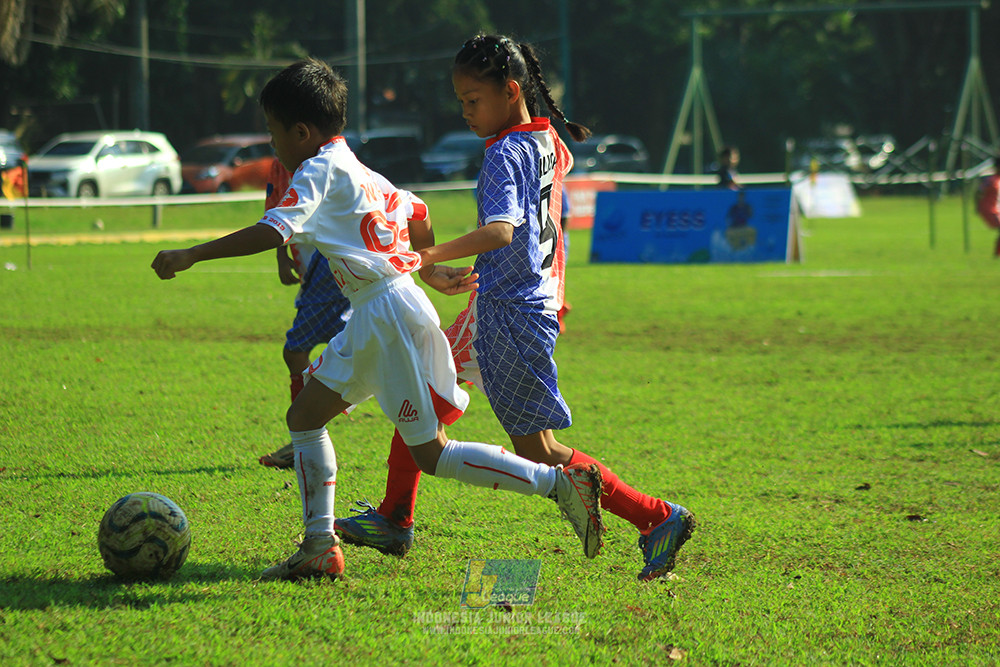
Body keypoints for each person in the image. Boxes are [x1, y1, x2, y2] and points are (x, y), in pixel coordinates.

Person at [151, 57, 605, 582]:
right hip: (381, 309)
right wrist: (428, 272)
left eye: (274, 134)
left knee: (432, 454)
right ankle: (319, 547)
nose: (273, 146)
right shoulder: (357, 167)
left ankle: (561, 485)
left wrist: (192, 253)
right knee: (304, 418)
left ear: (301, 131)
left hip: (386, 314)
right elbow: (418, 212)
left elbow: (273, 231)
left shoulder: (317, 169)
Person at [334, 34, 695, 582]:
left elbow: (501, 231)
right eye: (459, 100)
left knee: (540, 450)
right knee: (423, 393)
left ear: (509, 91)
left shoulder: (505, 152)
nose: (465, 111)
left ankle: (657, 517)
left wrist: (424, 255)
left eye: (472, 100)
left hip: (511, 315)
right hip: (504, 304)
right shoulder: (546, 137)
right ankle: (394, 517)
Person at [259, 158, 353, 469]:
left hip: (330, 266)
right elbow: (273, 207)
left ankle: (305, 436)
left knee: (296, 349)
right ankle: (307, 434)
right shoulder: (280, 163)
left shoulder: (326, 162)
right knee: (360, 348)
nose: (274, 143)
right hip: (317, 268)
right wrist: (282, 255)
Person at [975, 154, 1000, 257]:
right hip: (988, 209)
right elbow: (978, 192)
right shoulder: (991, 180)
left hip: (996, 209)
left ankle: (997, 254)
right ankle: (997, 254)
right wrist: (976, 206)